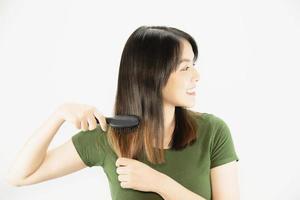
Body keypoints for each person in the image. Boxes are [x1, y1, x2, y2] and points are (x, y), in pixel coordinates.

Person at [6, 26, 240, 200]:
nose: (196, 75)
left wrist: (160, 184)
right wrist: (57, 115)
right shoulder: (107, 135)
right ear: (152, 75)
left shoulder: (213, 131)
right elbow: (20, 176)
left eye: (194, 64)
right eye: (185, 67)